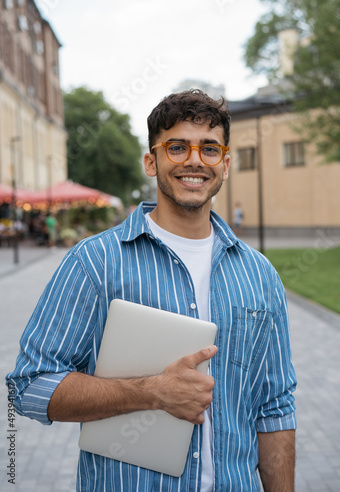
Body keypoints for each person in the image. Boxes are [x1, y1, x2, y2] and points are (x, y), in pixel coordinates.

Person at [6, 89, 297, 492]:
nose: (194, 160)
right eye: (177, 147)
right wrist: (153, 393)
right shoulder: (95, 262)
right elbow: (28, 386)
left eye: (210, 149)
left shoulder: (260, 274)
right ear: (151, 160)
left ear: (225, 164)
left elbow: (275, 406)